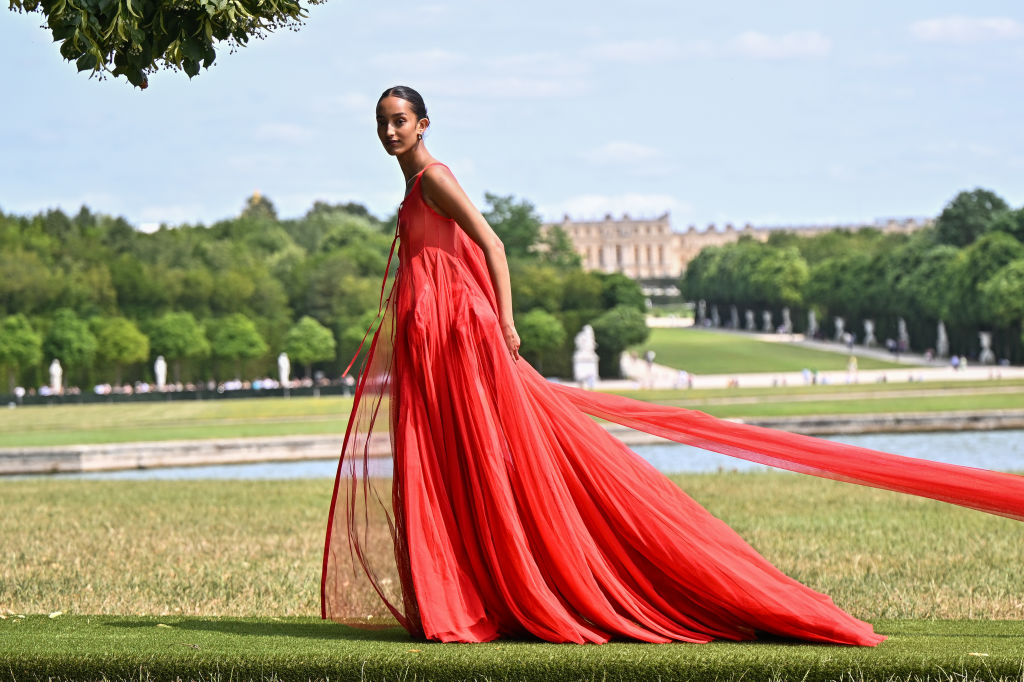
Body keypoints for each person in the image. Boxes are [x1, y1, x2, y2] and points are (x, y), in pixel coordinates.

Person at [321, 85, 1024, 647]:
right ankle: (472, 589)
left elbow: (492, 244)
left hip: (461, 335)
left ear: (424, 124)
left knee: (485, 457)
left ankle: (490, 589)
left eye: (400, 120)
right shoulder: (415, 186)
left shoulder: (435, 177)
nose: (390, 132)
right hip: (437, 339)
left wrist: (504, 323)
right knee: (463, 461)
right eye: (382, 122)